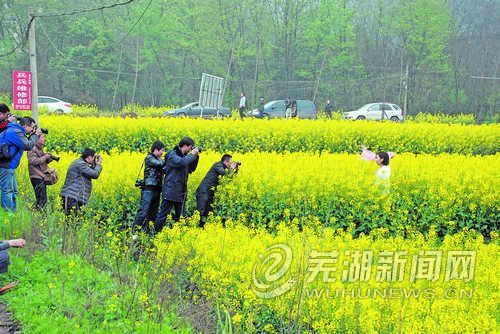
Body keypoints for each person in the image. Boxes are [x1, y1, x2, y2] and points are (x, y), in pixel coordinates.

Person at [155, 137, 199, 231]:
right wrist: (192, 154)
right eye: (190, 147)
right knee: (163, 215)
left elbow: (192, 169)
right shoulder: (172, 154)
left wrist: (196, 156)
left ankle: (178, 235)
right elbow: (181, 163)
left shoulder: (185, 157)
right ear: (185, 146)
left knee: (180, 217)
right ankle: (156, 233)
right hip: (170, 191)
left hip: (181, 191)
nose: (190, 150)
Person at [0, 117, 41, 211]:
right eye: (32, 127)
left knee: (13, 190)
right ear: (26, 126)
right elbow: (28, 145)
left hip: (8, 165)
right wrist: (35, 135)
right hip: (5, 165)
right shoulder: (15, 132)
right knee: (7, 190)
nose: (32, 130)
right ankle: (8, 214)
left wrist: (33, 135)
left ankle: (12, 213)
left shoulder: (15, 130)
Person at [132, 140, 166, 235]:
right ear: (156, 149)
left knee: (153, 213)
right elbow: (159, 165)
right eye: (162, 150)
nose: (163, 153)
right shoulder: (149, 158)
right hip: (148, 189)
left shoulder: (160, 160)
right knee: (143, 211)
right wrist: (168, 159)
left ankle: (147, 231)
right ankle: (134, 232)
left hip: (157, 189)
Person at [196, 154, 239, 227]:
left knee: (207, 211)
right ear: (226, 161)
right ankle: (196, 226)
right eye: (230, 162)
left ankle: (202, 227)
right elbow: (225, 174)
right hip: (203, 191)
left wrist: (236, 170)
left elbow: (229, 177)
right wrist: (231, 168)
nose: (231, 164)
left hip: (210, 192)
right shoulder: (218, 165)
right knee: (201, 210)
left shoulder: (223, 167)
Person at [60, 148, 103, 215]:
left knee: (74, 221)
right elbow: (95, 174)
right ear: (89, 157)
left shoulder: (81, 163)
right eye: (94, 157)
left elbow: (91, 171)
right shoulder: (80, 164)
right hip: (71, 197)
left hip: (73, 197)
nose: (94, 159)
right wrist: (99, 164)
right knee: (74, 221)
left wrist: (95, 164)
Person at [27, 134, 57, 209]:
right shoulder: (32, 148)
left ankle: (35, 214)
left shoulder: (39, 149)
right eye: (43, 137)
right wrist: (45, 157)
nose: (44, 139)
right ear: (37, 139)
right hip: (36, 176)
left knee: (41, 199)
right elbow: (32, 161)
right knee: (42, 199)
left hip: (40, 176)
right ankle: (41, 217)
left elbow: (41, 163)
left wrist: (49, 158)